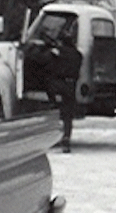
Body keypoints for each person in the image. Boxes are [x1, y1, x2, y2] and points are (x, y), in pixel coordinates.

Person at [26, 21, 82, 153]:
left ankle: (52, 137)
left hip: (57, 86)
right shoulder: (78, 55)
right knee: (68, 115)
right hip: (71, 86)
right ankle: (66, 140)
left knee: (54, 112)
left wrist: (41, 48)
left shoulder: (56, 53)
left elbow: (38, 59)